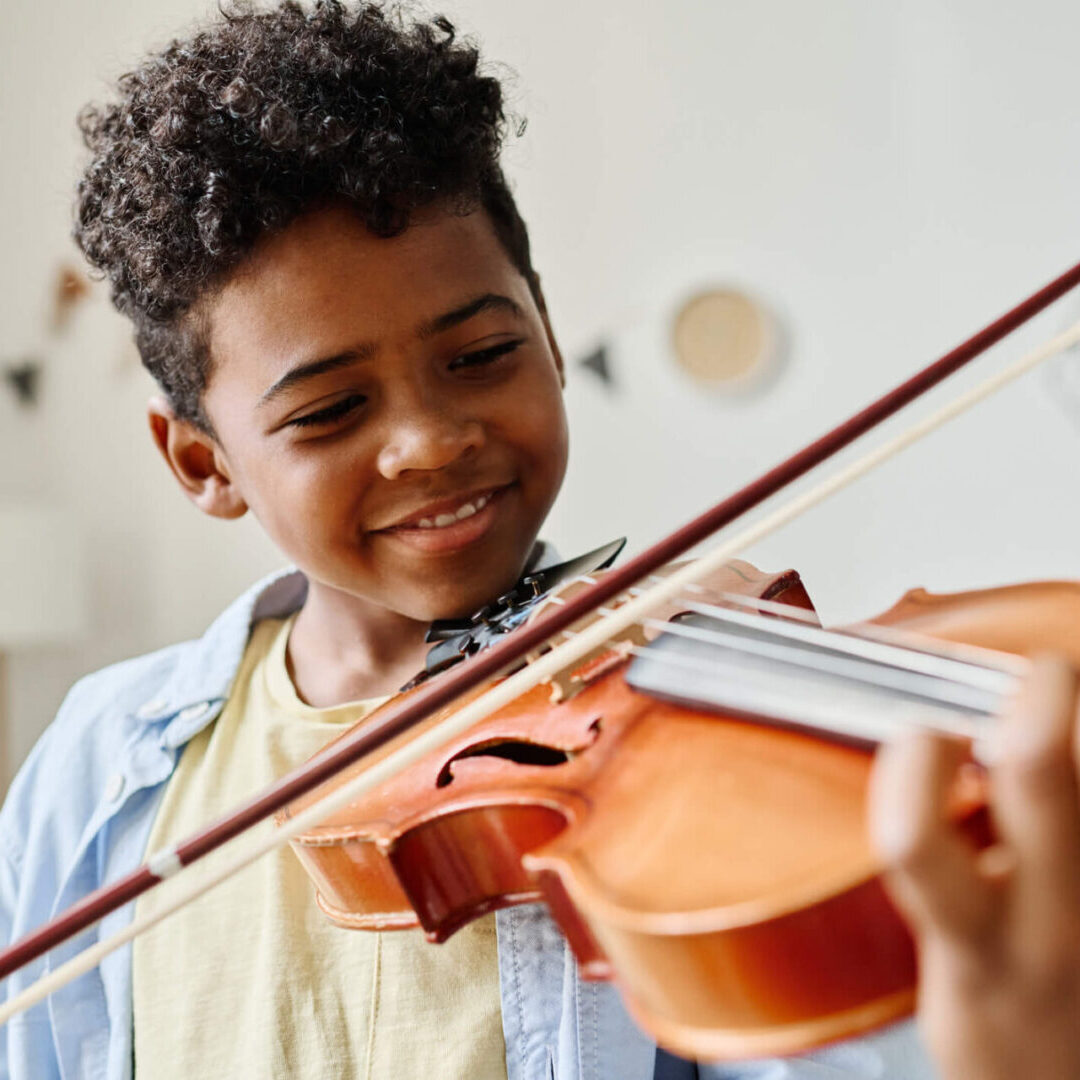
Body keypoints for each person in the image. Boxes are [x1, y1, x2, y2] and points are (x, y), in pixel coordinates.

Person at [1, 2, 1078, 1079]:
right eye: (330, 412)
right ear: (204, 463)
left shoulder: (695, 743)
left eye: (478, 355)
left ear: (550, 337)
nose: (429, 442)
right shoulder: (102, 768)